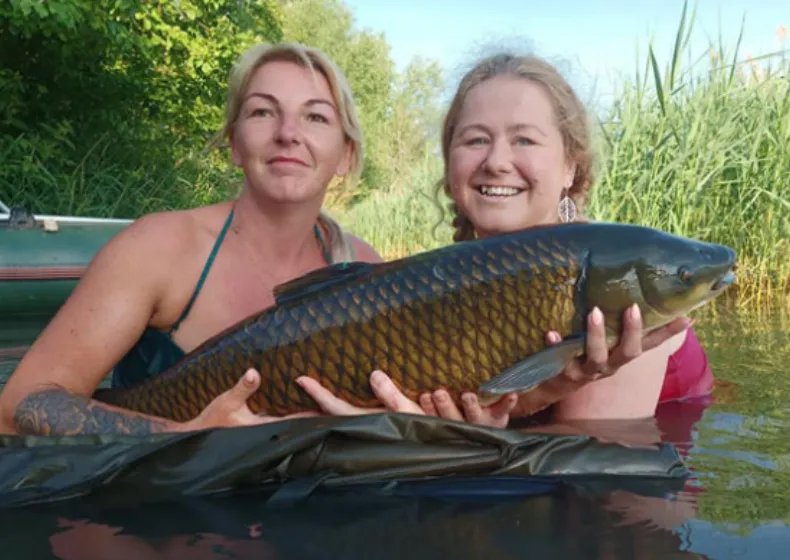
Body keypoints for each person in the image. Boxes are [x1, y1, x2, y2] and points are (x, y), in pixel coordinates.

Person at [298, 51, 705, 427]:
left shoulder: (615, 278)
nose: (495, 162)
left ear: (570, 167)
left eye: (524, 139)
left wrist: (448, 440)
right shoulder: (437, 284)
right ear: (450, 164)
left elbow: (591, 489)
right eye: (476, 140)